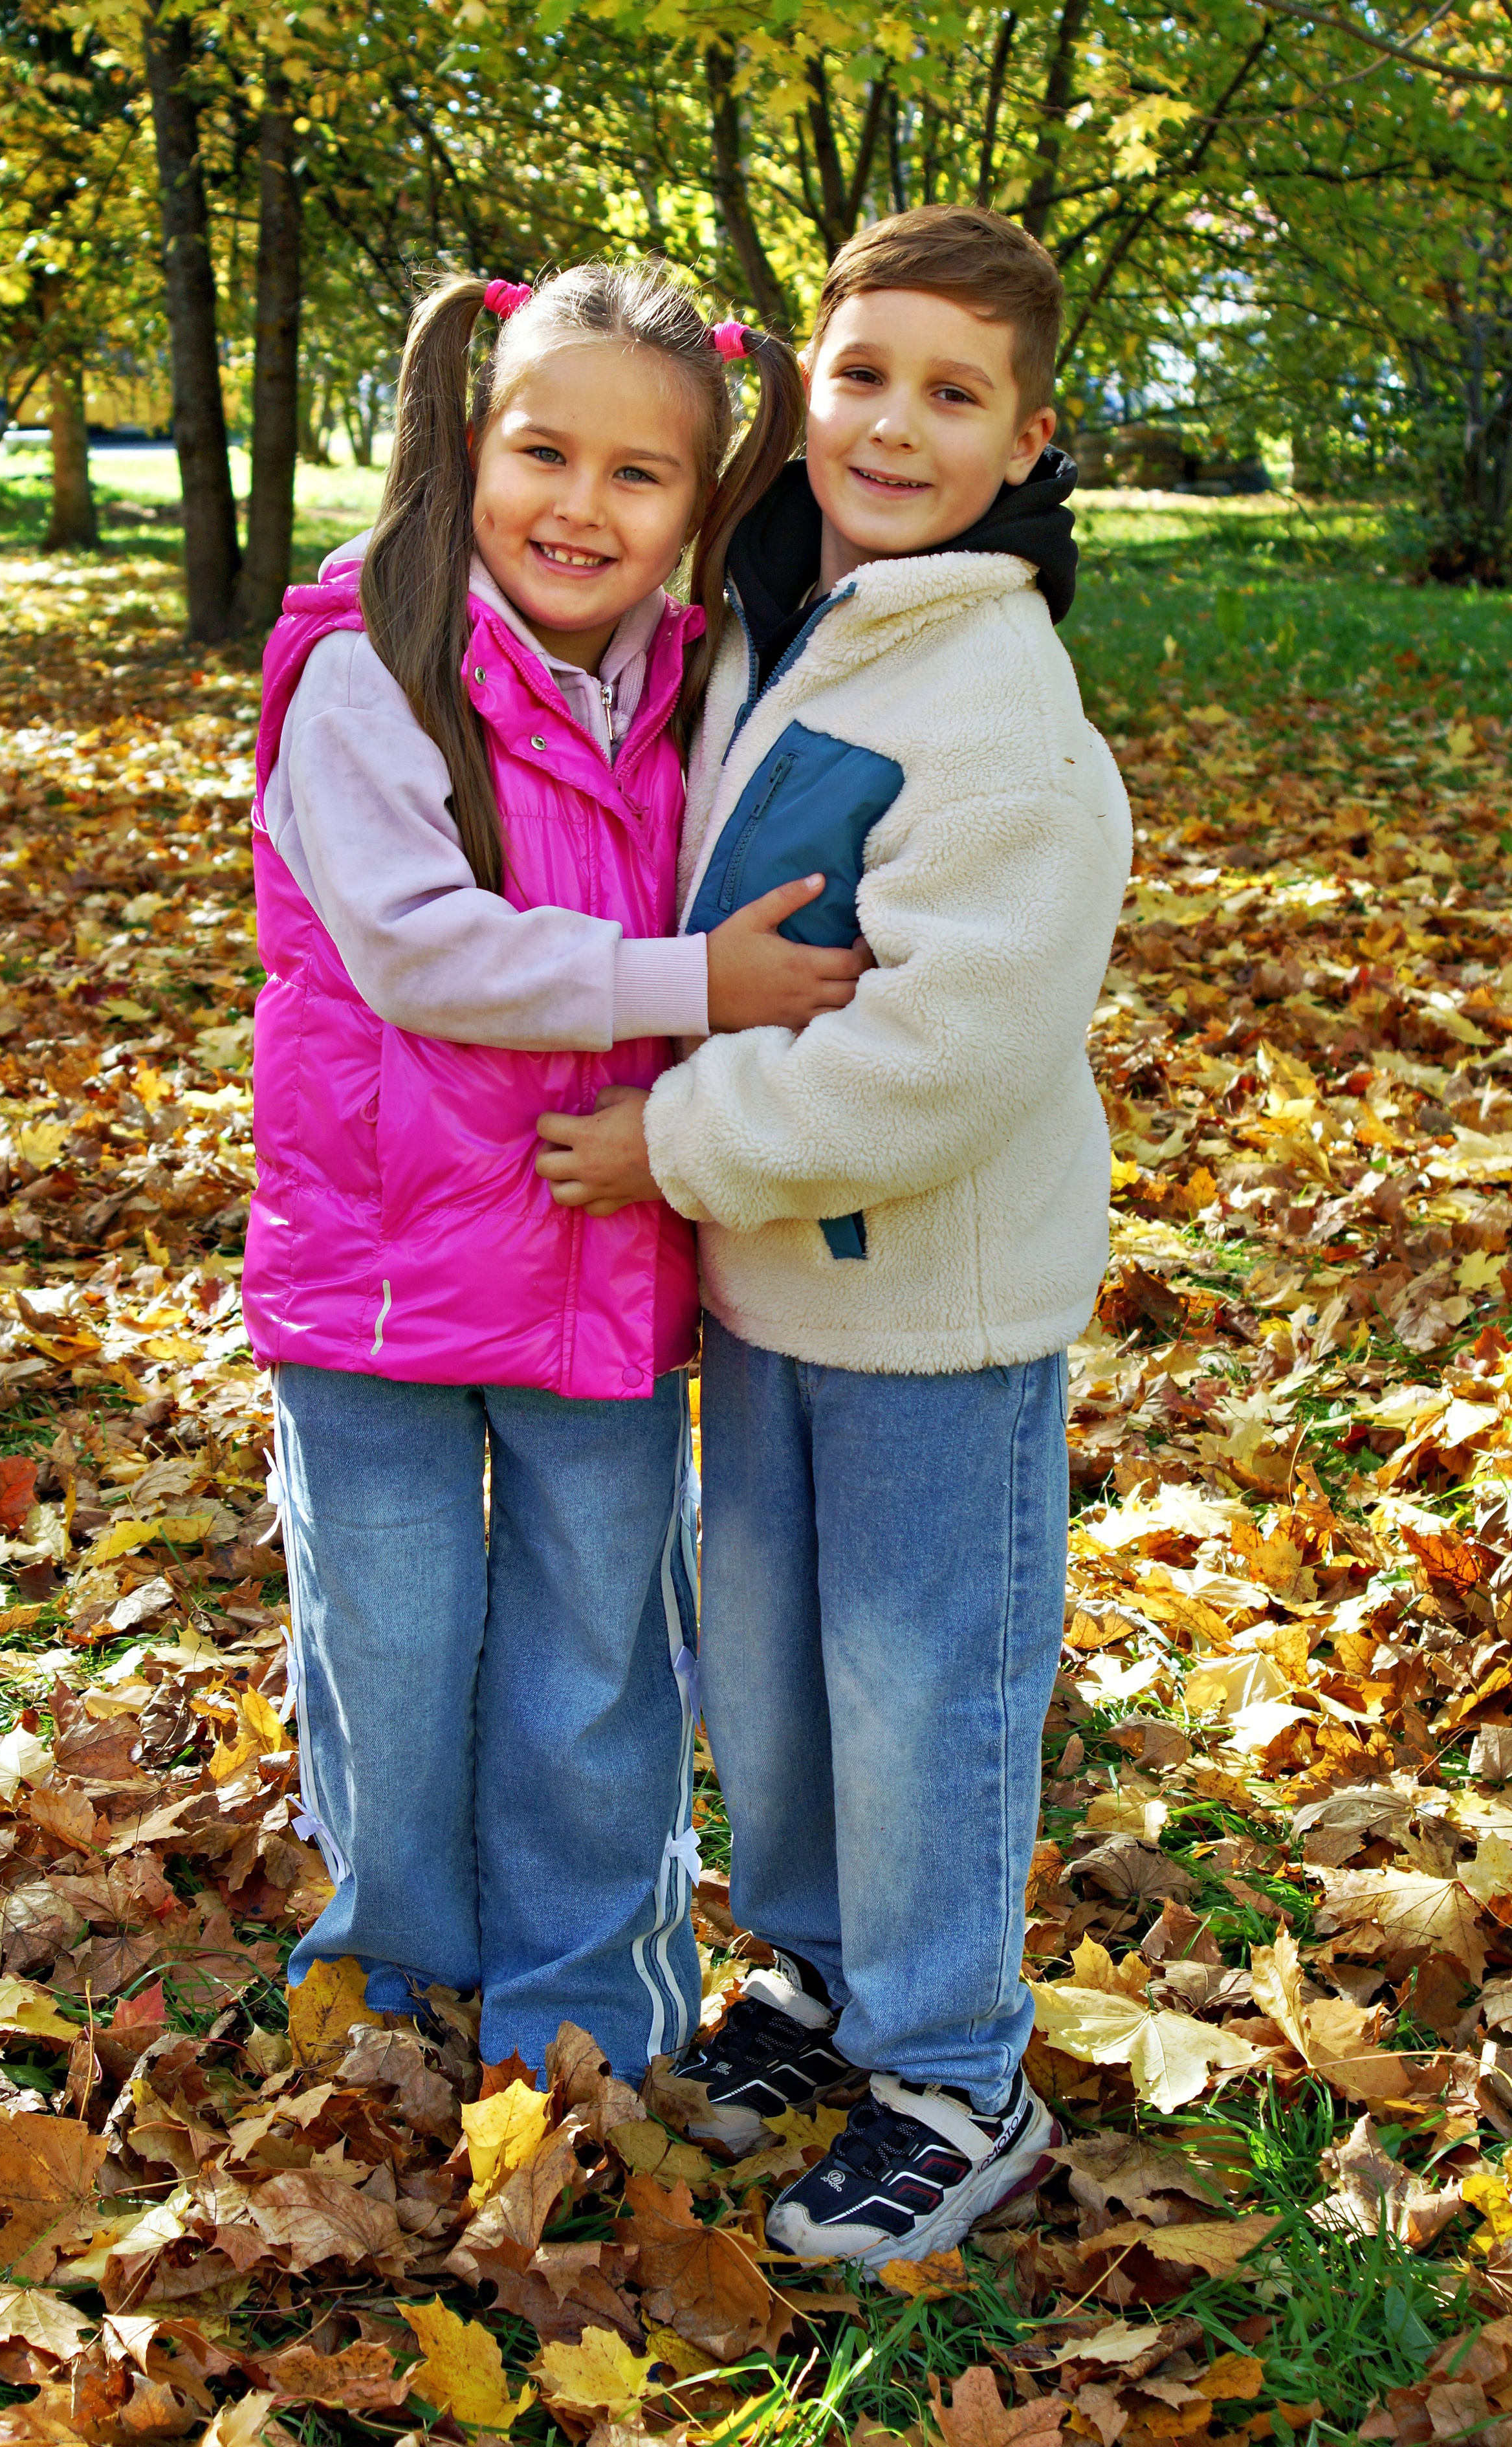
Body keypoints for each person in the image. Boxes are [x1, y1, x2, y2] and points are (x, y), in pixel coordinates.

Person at [535, 207, 1133, 2263]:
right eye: (861, 375)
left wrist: (674, 1140)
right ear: (802, 383)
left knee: (918, 1680)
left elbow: (948, 1055)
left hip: (935, 1305)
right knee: (777, 1677)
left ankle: (959, 2073)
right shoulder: (778, 620)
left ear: (1027, 439)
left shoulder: (1000, 710)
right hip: (776, 1279)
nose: (891, 425)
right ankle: (820, 1976)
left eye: (951, 396)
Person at [246, 261, 868, 2082]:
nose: (579, 509)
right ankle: (393, 1978)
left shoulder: (695, 687)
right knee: (392, 1648)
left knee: (597, 1662)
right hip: (377, 1280)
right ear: (471, 441)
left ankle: (587, 2016)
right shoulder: (370, 671)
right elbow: (424, 951)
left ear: (699, 505)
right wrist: (697, 987)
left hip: (602, 1262)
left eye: (639, 478)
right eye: (544, 453)